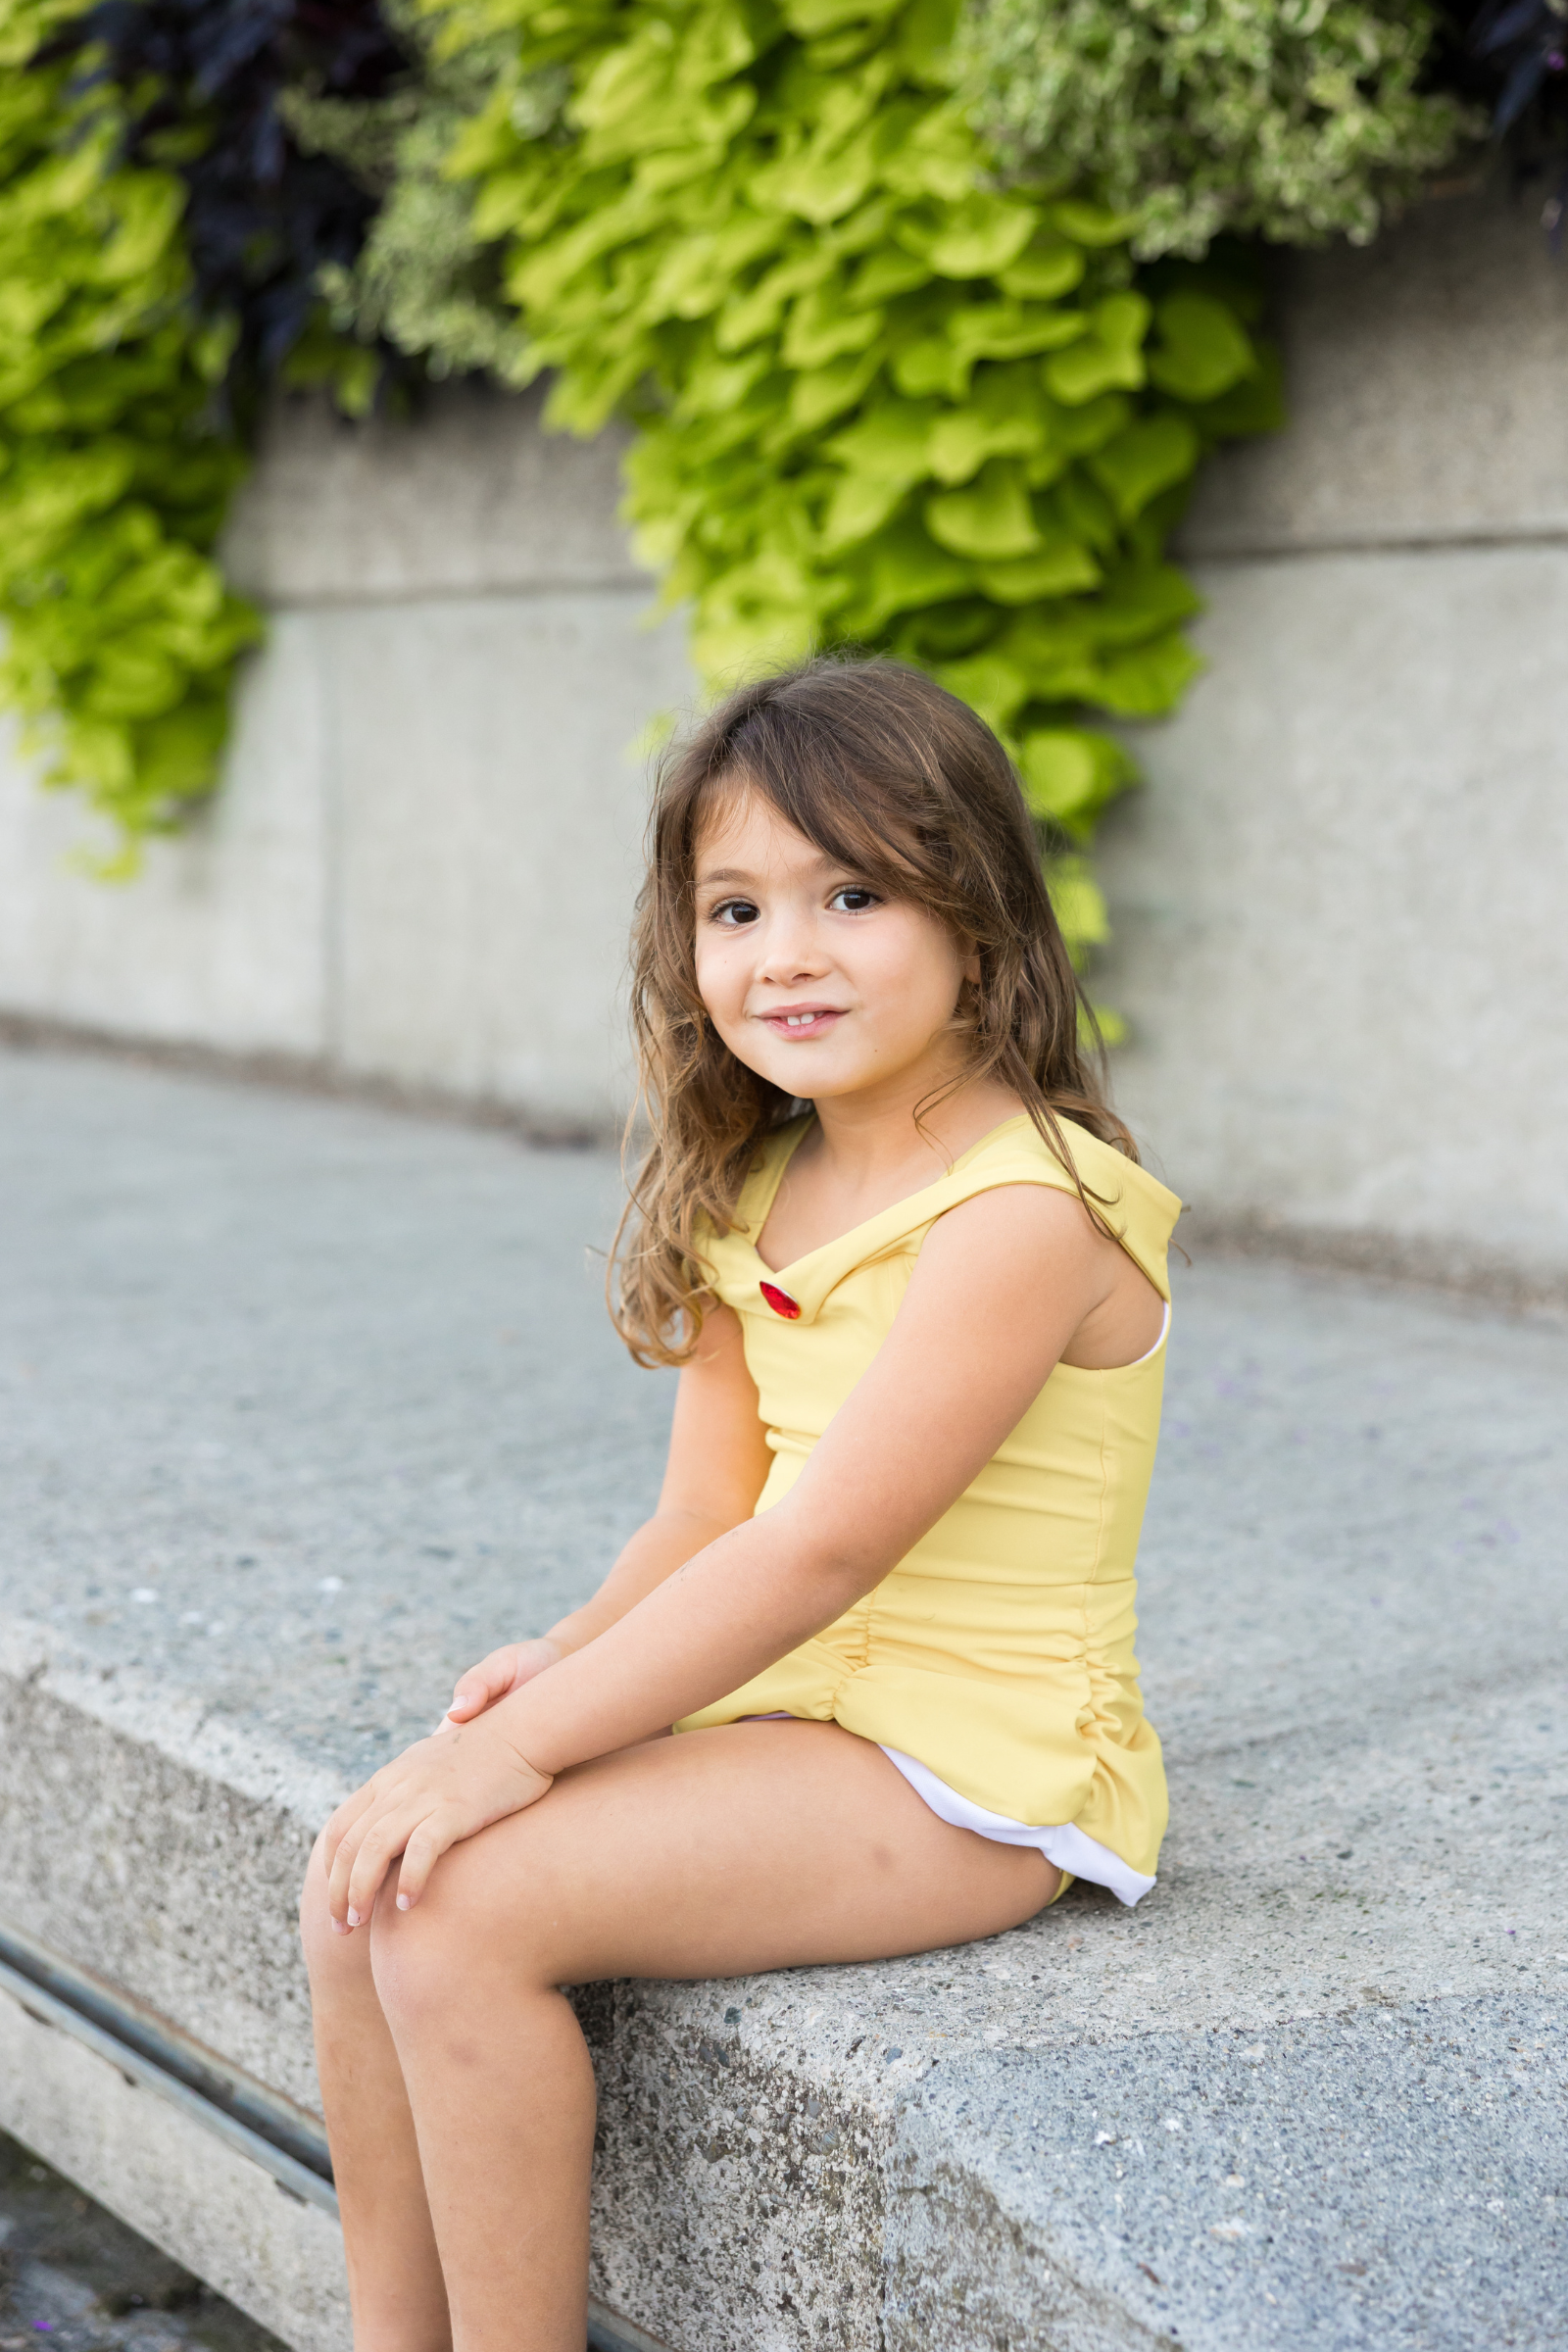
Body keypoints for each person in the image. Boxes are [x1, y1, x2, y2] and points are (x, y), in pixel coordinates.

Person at [301, 656, 1181, 2352]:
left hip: (975, 1770)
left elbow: (825, 1542)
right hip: (804, 1706)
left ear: (979, 926)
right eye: (735, 906)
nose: (785, 951)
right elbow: (707, 1515)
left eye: (852, 893)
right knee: (370, 1885)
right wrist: (552, 1661)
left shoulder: (1025, 1210)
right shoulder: (757, 1185)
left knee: (466, 1908)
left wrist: (528, 1749)